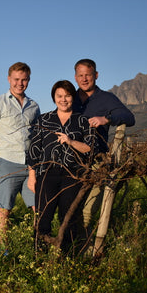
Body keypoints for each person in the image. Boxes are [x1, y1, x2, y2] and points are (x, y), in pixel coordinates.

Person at [0, 62, 40, 250]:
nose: (20, 83)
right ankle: (3, 251)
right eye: (16, 79)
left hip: (30, 167)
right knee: (4, 210)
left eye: (24, 80)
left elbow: (37, 137)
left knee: (38, 208)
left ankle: (37, 246)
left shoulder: (34, 106)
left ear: (29, 80)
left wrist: (35, 164)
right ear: (9, 79)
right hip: (7, 164)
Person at [27, 80, 95, 254]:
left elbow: (90, 149)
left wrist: (71, 141)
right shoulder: (44, 119)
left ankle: (68, 258)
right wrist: (32, 176)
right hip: (46, 174)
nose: (63, 99)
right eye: (59, 96)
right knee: (43, 217)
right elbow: (34, 149)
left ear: (73, 97)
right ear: (54, 98)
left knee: (69, 218)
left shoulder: (82, 121)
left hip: (72, 175)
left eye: (67, 95)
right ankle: (39, 256)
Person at [73, 59, 135, 227]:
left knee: (88, 209)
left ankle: (84, 246)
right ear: (75, 77)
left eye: (88, 75)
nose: (84, 79)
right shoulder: (70, 98)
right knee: (70, 207)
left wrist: (106, 119)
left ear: (96, 75)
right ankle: (69, 244)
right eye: (81, 75)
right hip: (72, 160)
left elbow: (130, 118)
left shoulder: (107, 99)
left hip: (96, 161)